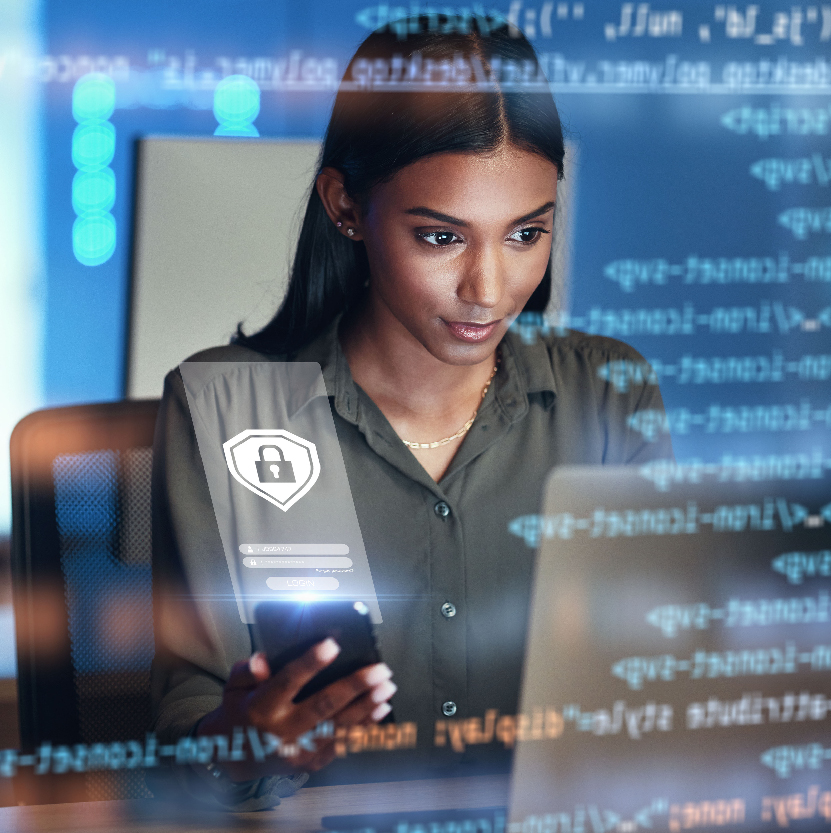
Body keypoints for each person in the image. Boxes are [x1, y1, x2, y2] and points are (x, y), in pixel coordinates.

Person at [149, 14, 674, 809]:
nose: (489, 290)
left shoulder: (606, 394)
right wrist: (242, 741)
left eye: (526, 233)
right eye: (440, 238)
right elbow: (188, 733)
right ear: (346, 207)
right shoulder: (232, 407)